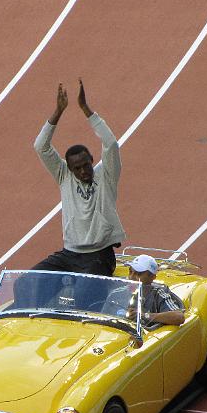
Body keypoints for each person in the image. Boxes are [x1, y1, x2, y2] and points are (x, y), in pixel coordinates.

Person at [32, 79, 126, 276]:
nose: (83, 171)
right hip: (69, 254)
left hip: (99, 255)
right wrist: (58, 111)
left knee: (84, 297)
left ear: (92, 160)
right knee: (29, 280)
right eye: (77, 168)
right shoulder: (64, 176)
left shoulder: (106, 174)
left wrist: (85, 109)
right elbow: (41, 146)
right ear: (70, 168)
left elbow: (111, 144)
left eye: (86, 165)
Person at [127, 255, 185, 326]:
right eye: (130, 272)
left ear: (152, 277)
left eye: (138, 274)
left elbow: (179, 317)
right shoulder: (118, 292)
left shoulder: (159, 294)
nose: (131, 277)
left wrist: (144, 315)